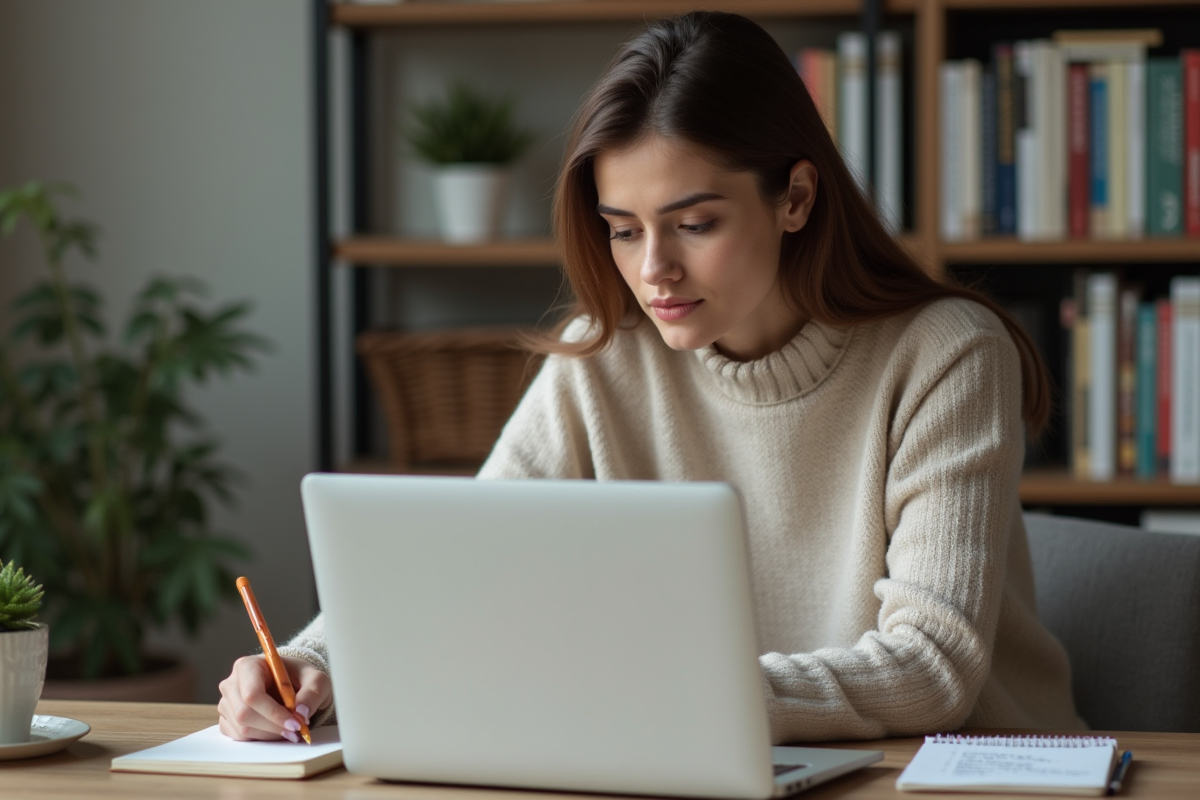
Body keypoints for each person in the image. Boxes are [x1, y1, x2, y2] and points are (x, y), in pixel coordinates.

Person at [218, 10, 1083, 745]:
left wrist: (666, 701)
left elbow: (932, 669)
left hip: (957, 774)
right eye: (623, 230)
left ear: (796, 198)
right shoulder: (607, 355)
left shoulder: (947, 353)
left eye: (694, 223)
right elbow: (461, 567)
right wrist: (312, 662)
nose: (654, 269)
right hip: (714, 762)